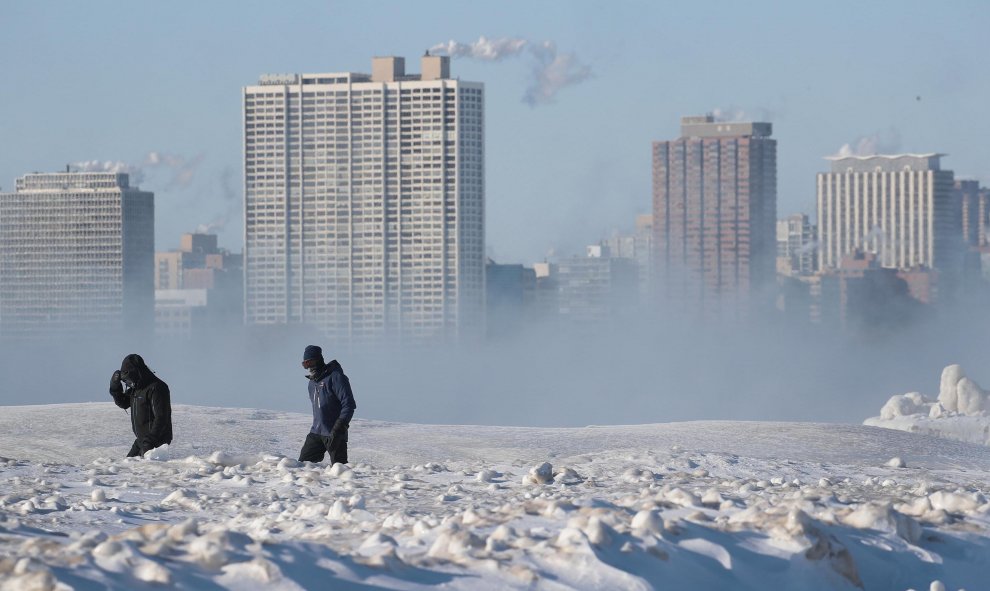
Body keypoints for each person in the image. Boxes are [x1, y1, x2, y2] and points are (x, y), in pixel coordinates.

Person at [298, 345, 356, 464]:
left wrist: (339, 428)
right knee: (301, 468)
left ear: (319, 360)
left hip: (335, 433)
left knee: (340, 471)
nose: (309, 367)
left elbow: (349, 404)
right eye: (306, 364)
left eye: (311, 362)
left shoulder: (336, 377)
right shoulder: (311, 384)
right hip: (316, 432)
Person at [109, 354, 173, 458]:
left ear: (137, 373)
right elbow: (123, 403)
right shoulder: (137, 389)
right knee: (125, 467)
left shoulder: (157, 388)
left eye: (130, 380)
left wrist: (150, 441)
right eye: (126, 382)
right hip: (142, 441)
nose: (130, 384)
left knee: (144, 472)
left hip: (156, 440)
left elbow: (161, 417)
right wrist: (115, 388)